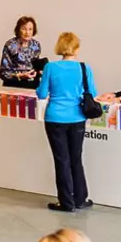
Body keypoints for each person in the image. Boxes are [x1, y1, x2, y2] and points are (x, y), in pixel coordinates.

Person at [36, 32, 96, 212]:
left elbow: (41, 93)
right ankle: (80, 198)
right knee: (76, 158)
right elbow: (91, 92)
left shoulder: (50, 68)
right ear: (76, 48)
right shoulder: (84, 68)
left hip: (55, 118)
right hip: (77, 118)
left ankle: (65, 202)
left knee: (61, 159)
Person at [0, 16, 45, 88]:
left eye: (30, 29)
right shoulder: (10, 45)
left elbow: (35, 65)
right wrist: (20, 76)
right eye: (24, 29)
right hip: (14, 85)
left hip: (32, 84)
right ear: (18, 30)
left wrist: (40, 71)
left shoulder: (36, 45)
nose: (27, 32)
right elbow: (3, 73)